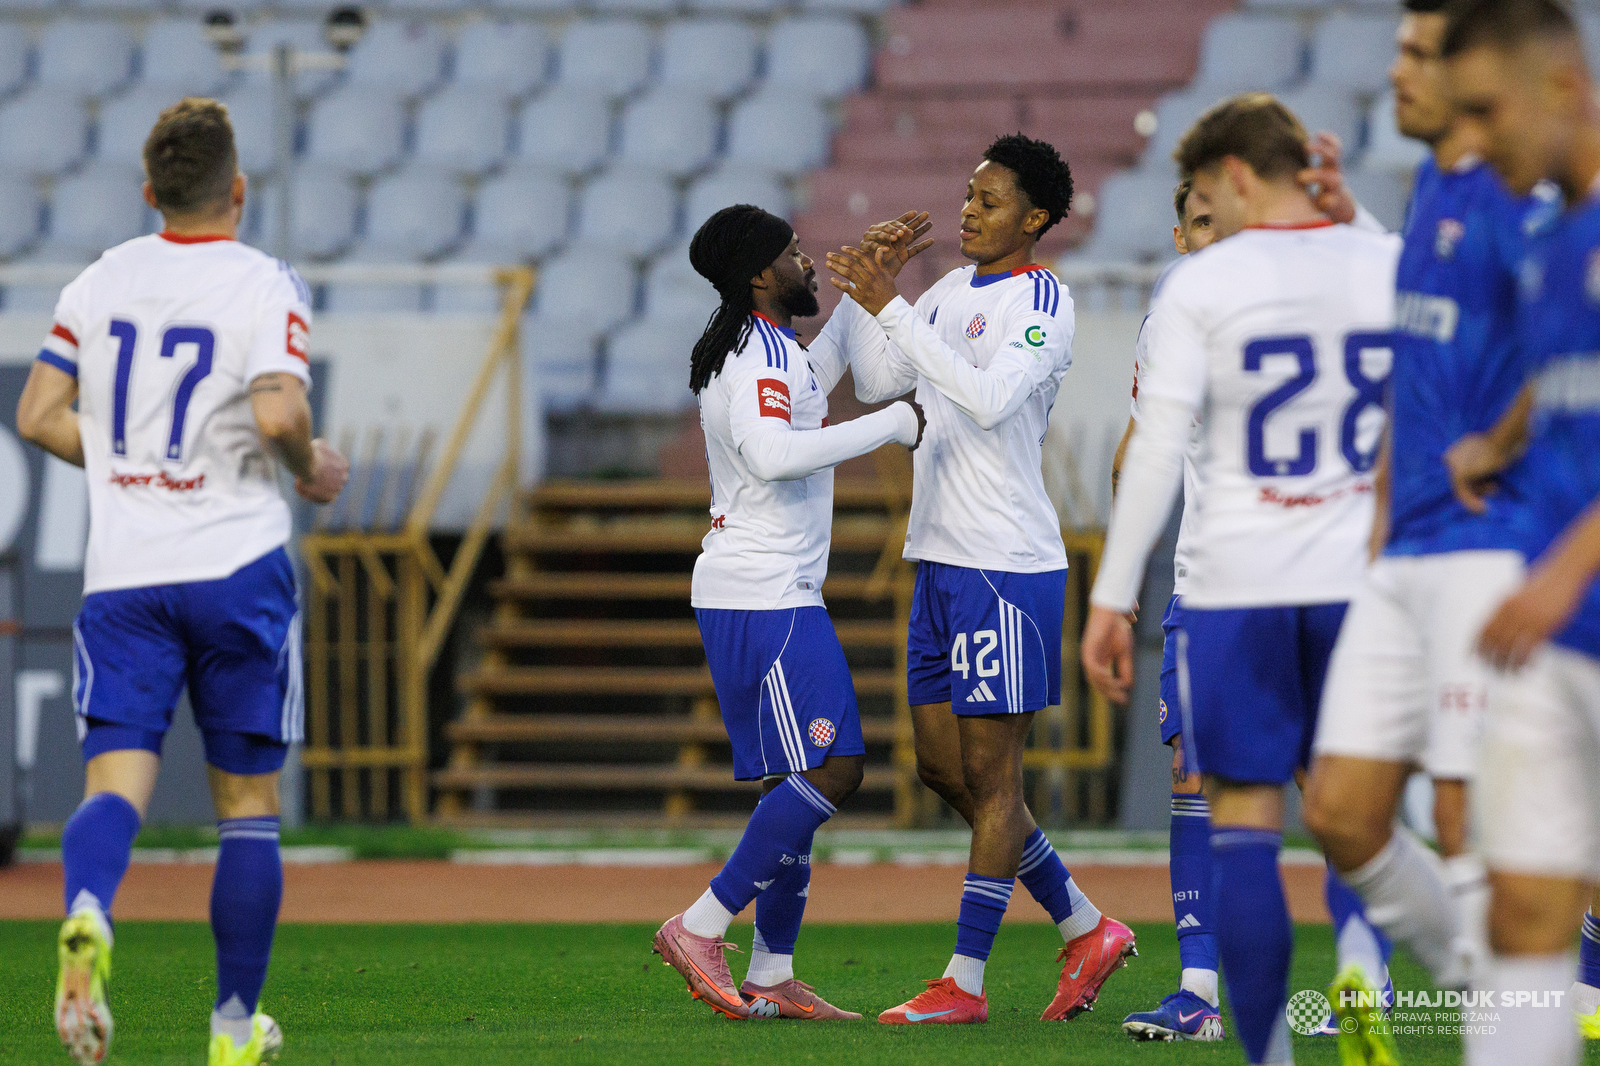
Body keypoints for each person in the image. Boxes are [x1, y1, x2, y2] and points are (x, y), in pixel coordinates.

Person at [14, 98, 349, 1066]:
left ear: (150, 191)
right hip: (235, 564)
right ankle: (234, 1031)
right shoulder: (261, 281)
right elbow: (280, 406)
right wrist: (306, 466)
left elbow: (39, 413)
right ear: (237, 190)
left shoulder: (99, 279)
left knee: (115, 782)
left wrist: (123, 462)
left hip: (125, 578)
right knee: (246, 806)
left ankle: (87, 911)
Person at [1080, 94, 1401, 1066]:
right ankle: (1364, 965)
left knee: (1247, 825)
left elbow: (1148, 457)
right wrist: (1361, 214)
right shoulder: (1374, 262)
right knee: (1353, 807)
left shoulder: (1197, 294)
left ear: (1235, 178)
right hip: (1355, 578)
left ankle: (1265, 1049)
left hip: (1233, 586)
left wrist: (1109, 590)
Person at [825, 133, 1136, 1026]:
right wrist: (867, 296)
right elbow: (887, 377)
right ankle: (1085, 926)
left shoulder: (1044, 301)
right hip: (940, 556)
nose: (968, 209)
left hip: (1004, 563)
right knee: (942, 770)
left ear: (1035, 219)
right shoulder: (953, 290)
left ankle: (963, 982)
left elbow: (991, 399)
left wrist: (895, 311)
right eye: (968, 193)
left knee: (995, 779)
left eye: (990, 199)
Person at [1301, 1, 1559, 1028]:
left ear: (1476, 72)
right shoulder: (1432, 186)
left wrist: (1497, 446)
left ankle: (1510, 1018)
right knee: (1339, 813)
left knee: (1461, 808)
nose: (1395, 72)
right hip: (1402, 545)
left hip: (1488, 542)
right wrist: (1374, 508)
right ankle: (1496, 984)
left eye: (1418, 55)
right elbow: (1419, 366)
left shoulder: (1520, 192)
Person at [651, 204, 925, 1022]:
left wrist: (868, 290)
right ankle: (701, 925)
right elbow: (772, 454)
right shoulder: (757, 354)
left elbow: (817, 371)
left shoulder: (770, 348)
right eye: (795, 254)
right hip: (765, 591)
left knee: (792, 782)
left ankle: (771, 972)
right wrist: (891, 424)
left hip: (762, 588)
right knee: (834, 767)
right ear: (760, 274)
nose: (809, 261)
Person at [1438, 3, 1600, 1061]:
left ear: (1563, 87)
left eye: (1486, 111)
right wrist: (1495, 443)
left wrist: (1562, 570)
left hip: (1559, 593)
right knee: (1523, 915)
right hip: (1557, 632)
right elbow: (1567, 388)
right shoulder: (1549, 236)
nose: (1473, 139)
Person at [1111, 179, 1225, 1044]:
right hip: (1201, 584)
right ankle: (1198, 991)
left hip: (1297, 582)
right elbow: (1141, 447)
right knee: (1193, 774)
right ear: (1180, 237)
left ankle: (1365, 979)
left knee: (1327, 790)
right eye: (1200, 223)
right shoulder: (1169, 318)